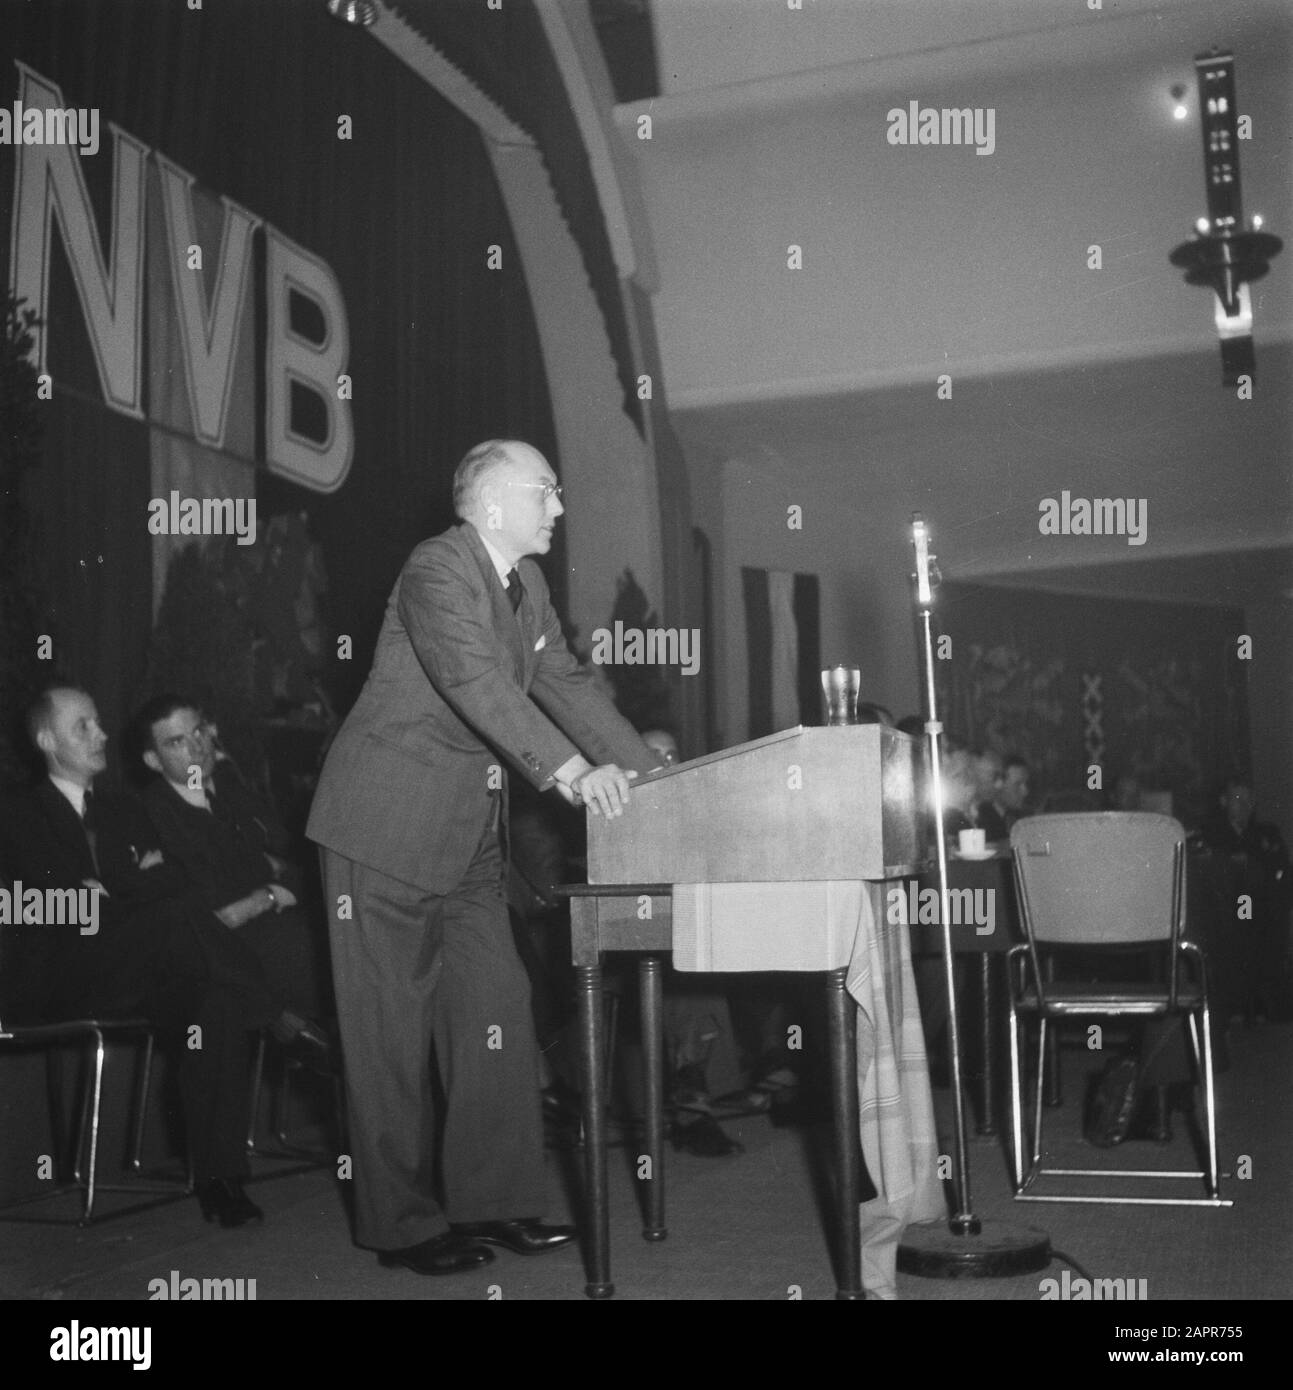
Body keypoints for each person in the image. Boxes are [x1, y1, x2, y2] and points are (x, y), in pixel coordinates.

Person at [306, 439, 662, 1277]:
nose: (560, 507)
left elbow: (565, 685)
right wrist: (570, 773)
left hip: (466, 839)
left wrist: (659, 778)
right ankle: (400, 1227)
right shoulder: (438, 570)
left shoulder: (525, 584)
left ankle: (494, 1200)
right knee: (388, 1037)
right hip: (382, 831)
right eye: (548, 491)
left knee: (496, 1008)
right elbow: (475, 681)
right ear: (495, 502)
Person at [0, 686, 311, 1227]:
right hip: (59, 978)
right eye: (84, 727)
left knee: (213, 997)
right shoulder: (16, 814)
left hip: (134, 967)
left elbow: (170, 882)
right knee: (174, 919)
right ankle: (281, 1020)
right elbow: (27, 907)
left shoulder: (122, 808)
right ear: (47, 741)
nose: (100, 735)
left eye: (98, 722)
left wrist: (107, 891)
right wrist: (105, 891)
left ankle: (221, 1181)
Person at [129, 694, 332, 1028]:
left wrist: (264, 895)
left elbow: (301, 865)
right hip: (228, 955)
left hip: (279, 924)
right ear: (153, 760)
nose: (196, 748)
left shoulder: (234, 790)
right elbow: (210, 897)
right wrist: (267, 867)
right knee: (332, 971)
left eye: (198, 732)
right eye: (177, 742)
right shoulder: (151, 814)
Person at [978, 755, 1030, 841]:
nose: (1025, 791)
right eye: (1017, 785)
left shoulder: (1024, 818)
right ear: (999, 784)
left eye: (1026, 784)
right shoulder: (981, 820)